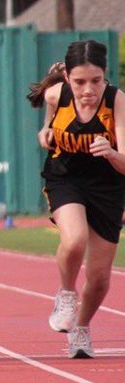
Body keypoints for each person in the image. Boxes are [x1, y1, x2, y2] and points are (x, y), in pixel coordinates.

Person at [28, 40, 125, 358]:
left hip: (107, 186)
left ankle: (81, 329)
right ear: (67, 78)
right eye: (80, 82)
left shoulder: (116, 101)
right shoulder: (56, 95)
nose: (88, 90)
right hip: (65, 177)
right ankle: (67, 293)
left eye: (96, 81)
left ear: (105, 76)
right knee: (74, 240)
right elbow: (49, 121)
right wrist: (45, 132)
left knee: (99, 278)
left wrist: (111, 153)